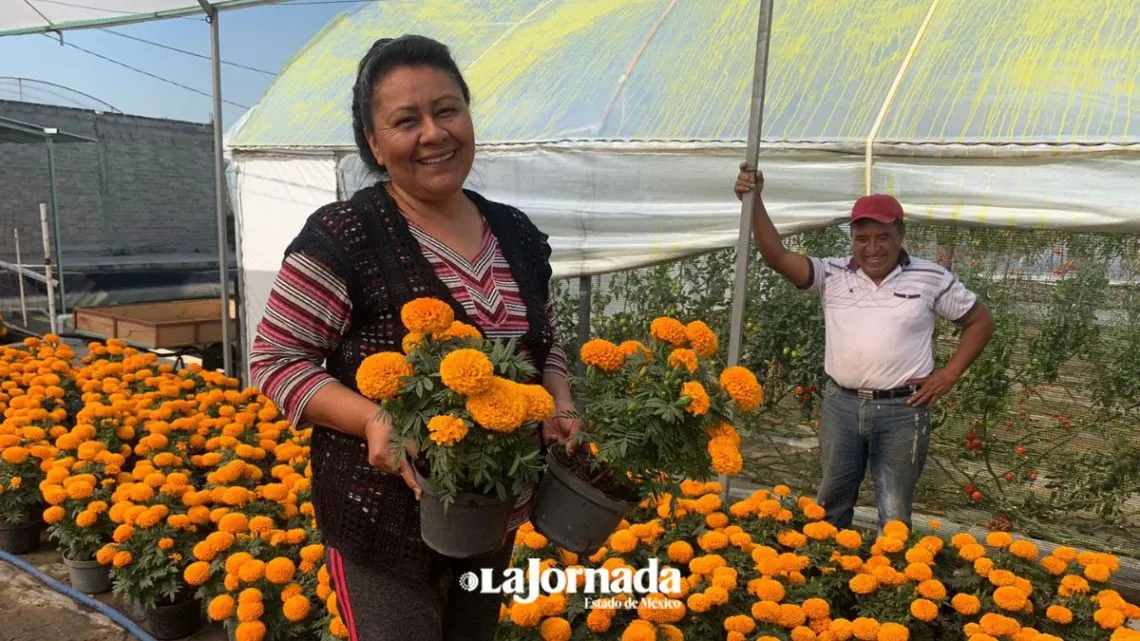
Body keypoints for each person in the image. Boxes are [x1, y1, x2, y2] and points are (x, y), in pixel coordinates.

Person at [249, 35, 580, 641]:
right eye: (406, 121)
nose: (434, 133)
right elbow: (276, 359)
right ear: (374, 144)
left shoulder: (517, 234)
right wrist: (374, 419)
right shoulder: (345, 234)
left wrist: (558, 399)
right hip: (379, 518)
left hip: (491, 513)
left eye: (448, 109)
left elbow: (545, 343)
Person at [734, 165, 994, 532]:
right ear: (851, 238)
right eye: (862, 237)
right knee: (831, 503)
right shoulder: (831, 274)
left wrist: (949, 375)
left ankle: (890, 581)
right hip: (842, 404)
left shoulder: (931, 277)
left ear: (901, 234)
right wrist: (754, 199)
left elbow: (981, 322)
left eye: (883, 236)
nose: (872, 248)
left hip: (904, 409)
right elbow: (776, 256)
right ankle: (831, 576)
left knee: (894, 507)